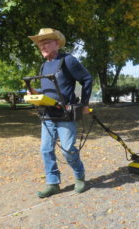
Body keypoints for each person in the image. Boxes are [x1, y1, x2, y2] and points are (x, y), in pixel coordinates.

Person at [28, 28, 93, 198]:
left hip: (65, 113)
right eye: (40, 44)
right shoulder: (44, 65)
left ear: (56, 44)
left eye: (46, 42)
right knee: (45, 149)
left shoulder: (68, 60)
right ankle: (53, 183)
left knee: (67, 149)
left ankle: (80, 176)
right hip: (47, 113)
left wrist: (84, 103)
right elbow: (48, 90)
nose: (42, 46)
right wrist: (34, 93)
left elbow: (87, 79)